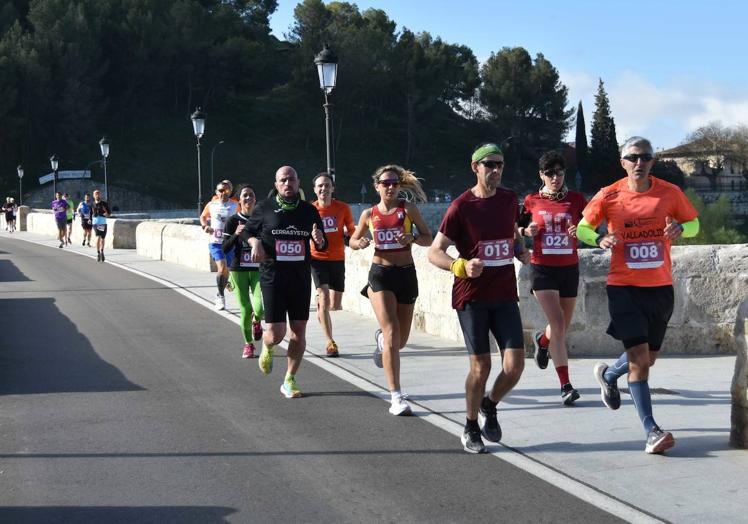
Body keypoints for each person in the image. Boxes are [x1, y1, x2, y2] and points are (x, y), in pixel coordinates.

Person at [576, 136, 700, 454]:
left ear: (652, 161)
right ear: (623, 162)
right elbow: (582, 228)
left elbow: (695, 223)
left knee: (648, 360)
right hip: (624, 287)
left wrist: (681, 230)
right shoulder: (610, 195)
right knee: (640, 360)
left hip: (659, 288)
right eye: (632, 158)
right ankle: (651, 432)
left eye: (645, 157)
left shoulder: (669, 193)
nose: (639, 163)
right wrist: (599, 238)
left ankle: (609, 374)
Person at [427, 143, 530, 453]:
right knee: (481, 367)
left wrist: (522, 252)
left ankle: (489, 403)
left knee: (514, 366)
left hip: (504, 295)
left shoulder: (510, 199)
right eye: (489, 164)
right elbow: (434, 252)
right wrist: (460, 265)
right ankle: (470, 426)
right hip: (471, 297)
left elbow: (512, 232)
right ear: (475, 167)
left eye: (500, 164)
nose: (495, 170)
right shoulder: (460, 206)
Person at [349, 165, 433, 416]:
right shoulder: (368, 214)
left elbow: (429, 237)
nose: (390, 187)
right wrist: (359, 242)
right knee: (392, 331)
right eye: (385, 183)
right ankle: (396, 396)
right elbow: (352, 241)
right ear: (377, 187)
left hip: (406, 273)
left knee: (400, 341)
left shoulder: (408, 210)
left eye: (394, 183)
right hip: (380, 274)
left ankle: (381, 341)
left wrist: (413, 238)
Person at [241, 166, 327, 399]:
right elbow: (245, 232)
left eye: (291, 179)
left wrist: (319, 240)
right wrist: (255, 243)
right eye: (283, 180)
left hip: (299, 279)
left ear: (298, 183)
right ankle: (268, 346)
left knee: (298, 330)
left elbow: (322, 243)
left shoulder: (309, 211)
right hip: (272, 277)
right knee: (276, 333)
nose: (287, 183)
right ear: (276, 184)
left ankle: (290, 379)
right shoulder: (264, 208)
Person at [520, 151, 587, 405]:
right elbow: (517, 228)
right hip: (542, 268)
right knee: (558, 324)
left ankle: (543, 339)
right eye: (549, 173)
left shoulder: (577, 200)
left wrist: (579, 229)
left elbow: (591, 228)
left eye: (559, 173)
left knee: (561, 327)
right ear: (541, 175)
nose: (555, 177)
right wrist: (527, 230)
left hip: (569, 268)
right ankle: (565, 385)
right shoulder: (531, 200)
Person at [310, 172, 356, 357]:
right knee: (325, 296)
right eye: (320, 186)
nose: (324, 189)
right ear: (315, 190)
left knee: (335, 304)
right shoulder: (310, 210)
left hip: (338, 258)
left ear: (332, 188)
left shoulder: (343, 208)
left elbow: (351, 230)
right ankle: (330, 342)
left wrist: (357, 240)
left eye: (327, 185)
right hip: (317, 259)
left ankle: (320, 308)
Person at [222, 184, 264, 359]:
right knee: (245, 309)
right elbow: (224, 248)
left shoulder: (262, 219)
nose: (248, 198)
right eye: (244, 196)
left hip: (258, 269)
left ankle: (257, 322)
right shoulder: (232, 221)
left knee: (259, 308)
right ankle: (248, 345)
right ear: (238, 200)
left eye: (251, 195)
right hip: (238, 269)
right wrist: (236, 235)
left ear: (255, 198)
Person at [200, 181, 239, 311]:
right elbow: (203, 217)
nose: (223, 193)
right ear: (216, 192)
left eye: (226, 190)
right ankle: (221, 297)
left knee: (226, 270)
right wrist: (205, 226)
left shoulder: (235, 205)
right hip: (215, 242)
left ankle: (219, 291)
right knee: (222, 268)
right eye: (221, 190)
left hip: (230, 243)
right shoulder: (211, 205)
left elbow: (244, 217)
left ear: (230, 191)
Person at [92, 189, 111, 261]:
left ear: (100, 195)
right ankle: (98, 253)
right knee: (98, 236)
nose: (97, 195)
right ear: (94, 196)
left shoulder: (104, 203)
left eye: (98, 193)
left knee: (102, 239)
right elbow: (89, 213)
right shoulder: (92, 204)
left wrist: (106, 213)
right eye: (96, 194)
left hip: (103, 222)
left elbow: (109, 213)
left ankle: (102, 252)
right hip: (96, 222)